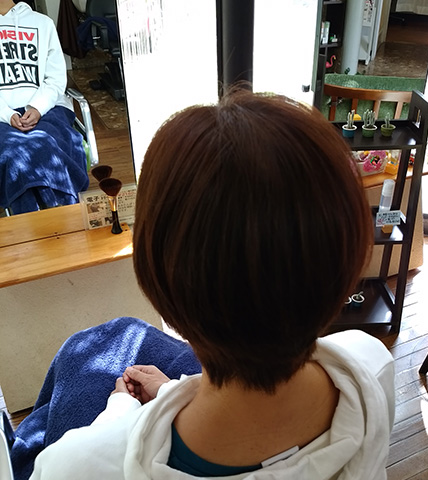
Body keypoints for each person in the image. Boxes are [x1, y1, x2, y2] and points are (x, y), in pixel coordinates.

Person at [12, 89, 395, 479]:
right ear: (348, 260)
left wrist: (121, 411)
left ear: (160, 279)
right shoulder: (371, 365)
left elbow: (107, 454)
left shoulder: (74, 466)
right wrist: (170, 394)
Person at [0, 0, 89, 214]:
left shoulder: (42, 23)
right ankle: (62, 217)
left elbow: (56, 79)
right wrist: (7, 114)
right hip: (2, 115)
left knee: (46, 147)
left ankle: (38, 223)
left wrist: (37, 107)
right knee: (18, 156)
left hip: (47, 109)